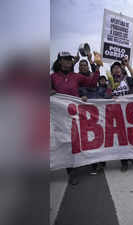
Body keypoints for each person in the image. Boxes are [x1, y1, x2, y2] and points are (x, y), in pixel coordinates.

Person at [50, 51, 100, 185]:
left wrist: (93, 64)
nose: (68, 61)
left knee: (80, 139)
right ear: (60, 61)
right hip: (60, 116)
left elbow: (92, 82)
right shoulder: (52, 77)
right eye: (65, 59)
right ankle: (71, 172)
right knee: (66, 142)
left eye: (69, 59)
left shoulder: (76, 76)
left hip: (76, 114)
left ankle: (86, 162)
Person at [107, 60, 133, 172]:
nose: (117, 69)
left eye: (118, 67)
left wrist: (128, 65)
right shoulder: (108, 83)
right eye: (114, 68)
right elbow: (104, 96)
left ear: (122, 69)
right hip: (116, 114)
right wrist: (110, 96)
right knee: (121, 138)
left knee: (132, 136)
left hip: (130, 112)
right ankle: (124, 161)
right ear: (111, 71)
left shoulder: (127, 79)